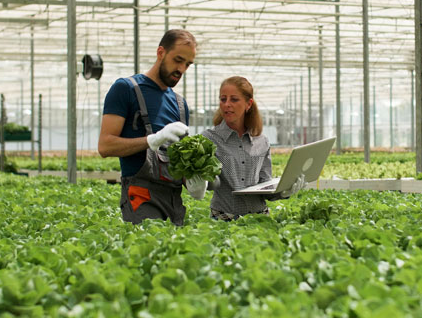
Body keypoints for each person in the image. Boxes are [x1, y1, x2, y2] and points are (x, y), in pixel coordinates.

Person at [98, 29, 206, 226]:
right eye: (178, 60)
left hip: (174, 200)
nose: (181, 69)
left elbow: (176, 160)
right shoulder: (126, 89)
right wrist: (152, 140)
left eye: (187, 64)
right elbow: (105, 146)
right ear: (161, 52)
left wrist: (193, 179)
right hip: (141, 196)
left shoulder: (180, 105)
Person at [200, 76, 306, 221]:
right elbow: (207, 183)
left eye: (234, 99)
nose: (227, 104)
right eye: (223, 99)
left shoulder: (262, 141)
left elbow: (264, 185)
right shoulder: (209, 139)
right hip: (223, 218)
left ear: (248, 104)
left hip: (260, 218)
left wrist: (285, 190)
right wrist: (200, 181)